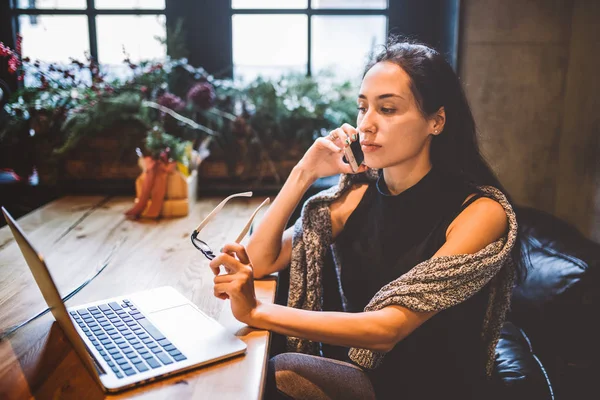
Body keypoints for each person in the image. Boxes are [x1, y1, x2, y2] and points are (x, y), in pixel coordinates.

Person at [208, 36, 527, 400]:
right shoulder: (356, 193)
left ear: (436, 121)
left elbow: (386, 328)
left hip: (433, 389)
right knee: (243, 370)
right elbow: (262, 260)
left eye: (387, 110)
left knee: (264, 373)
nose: (367, 125)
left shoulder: (481, 213)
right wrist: (303, 173)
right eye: (363, 108)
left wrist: (256, 310)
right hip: (365, 377)